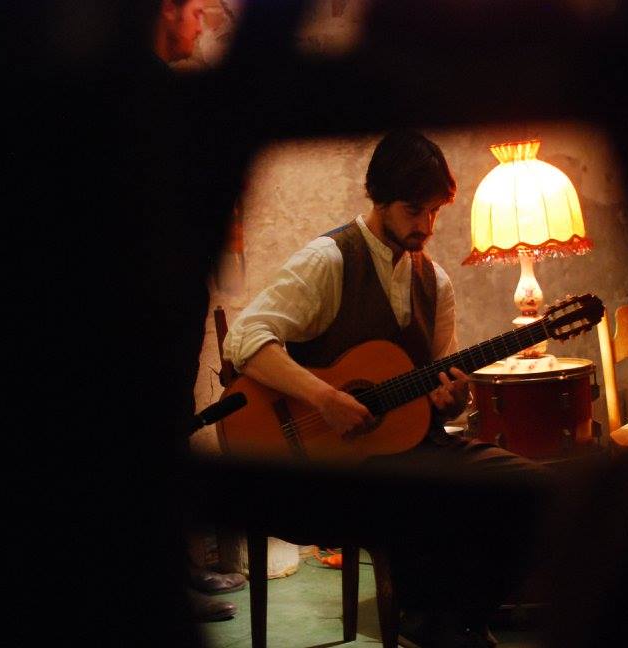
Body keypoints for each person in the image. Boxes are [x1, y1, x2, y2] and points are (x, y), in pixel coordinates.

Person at [224, 129, 546, 648]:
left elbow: (440, 384)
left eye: (434, 212)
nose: (426, 226)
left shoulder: (435, 281)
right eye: (414, 210)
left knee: (534, 490)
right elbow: (246, 337)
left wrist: (453, 398)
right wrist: (324, 398)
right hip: (329, 466)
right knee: (427, 497)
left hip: (413, 448)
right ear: (379, 197)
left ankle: (456, 617)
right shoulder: (329, 260)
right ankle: (428, 616)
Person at [152, 0, 245, 624]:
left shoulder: (165, 92)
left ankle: (181, 573)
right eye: (194, 10)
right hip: (148, 302)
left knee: (174, 423)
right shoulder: (149, 95)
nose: (203, 23)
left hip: (169, 296)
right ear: (165, 11)